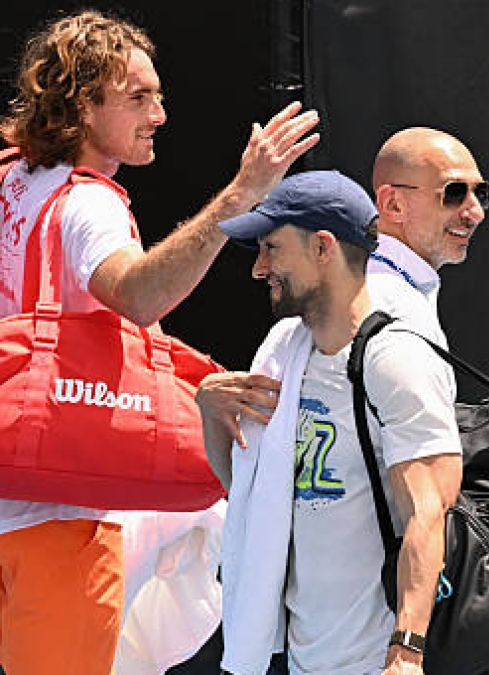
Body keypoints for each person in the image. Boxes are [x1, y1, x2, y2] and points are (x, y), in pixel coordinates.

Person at [0, 10, 318, 675]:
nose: (160, 113)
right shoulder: (89, 205)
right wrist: (243, 193)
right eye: (138, 96)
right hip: (55, 518)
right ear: (83, 105)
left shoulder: (12, 179)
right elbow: (138, 295)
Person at [198, 146, 489, 674]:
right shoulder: (285, 353)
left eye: (271, 249)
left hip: (379, 657)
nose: (260, 268)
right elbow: (247, 493)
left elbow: (429, 513)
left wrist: (407, 650)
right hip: (304, 656)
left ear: (323, 248)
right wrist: (208, 412)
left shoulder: (394, 356)